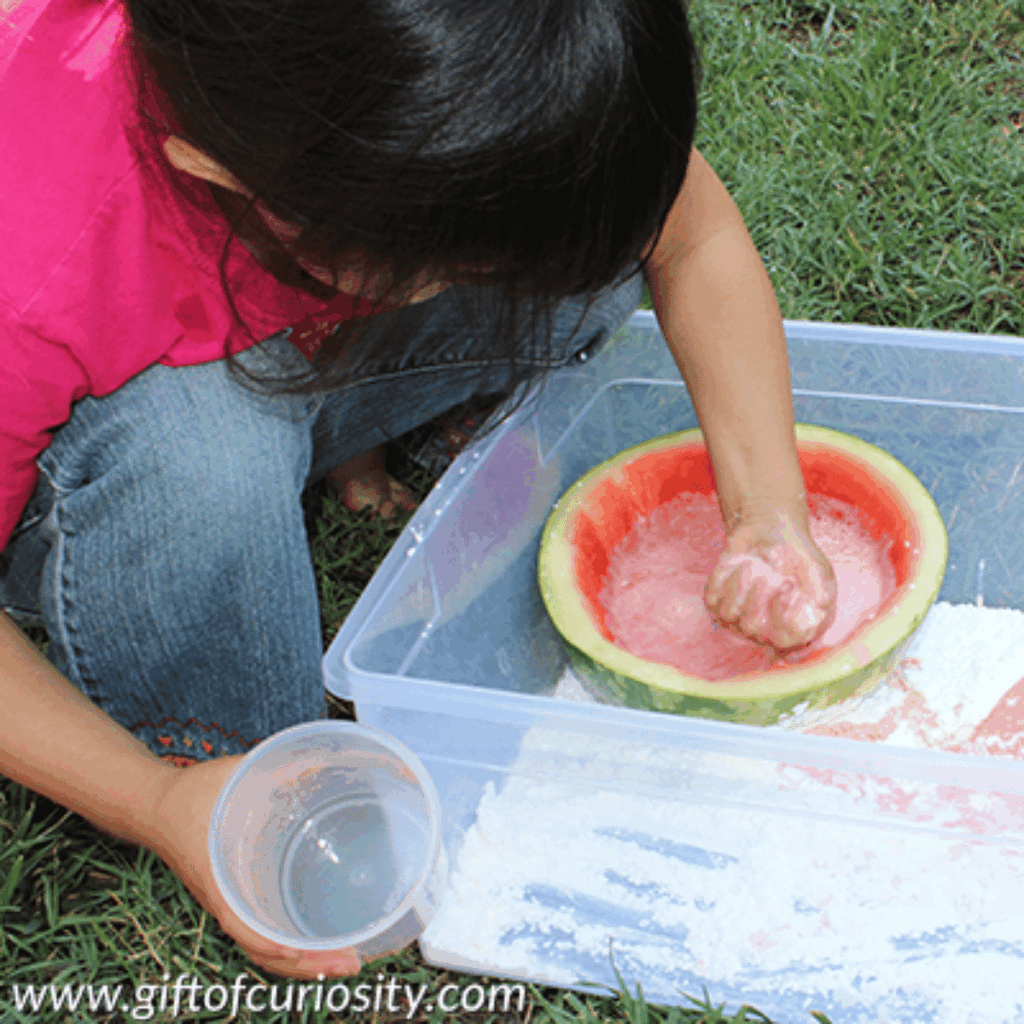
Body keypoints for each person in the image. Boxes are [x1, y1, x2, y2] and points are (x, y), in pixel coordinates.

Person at [0, 0, 837, 981]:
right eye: (452, 266)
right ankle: (204, 738)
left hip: (286, 295)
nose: (483, 280)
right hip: (114, 438)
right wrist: (153, 800)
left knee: (583, 239)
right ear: (223, 175)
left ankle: (326, 436)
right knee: (208, 460)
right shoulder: (34, 251)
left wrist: (768, 511)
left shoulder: (463, 67)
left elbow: (685, 238)